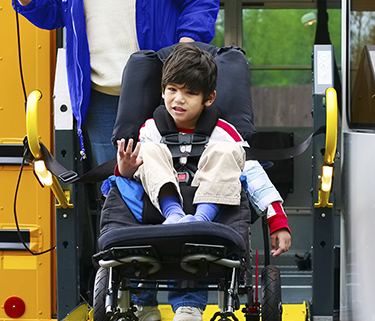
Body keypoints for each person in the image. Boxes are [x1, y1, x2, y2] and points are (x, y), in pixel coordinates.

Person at [112, 43, 291, 321]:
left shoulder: (223, 132)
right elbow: (136, 174)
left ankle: (188, 304)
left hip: (210, 209)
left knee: (230, 152)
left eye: (190, 93)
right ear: (162, 91)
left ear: (209, 99)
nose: (178, 100)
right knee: (147, 151)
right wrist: (125, 169)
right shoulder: (151, 129)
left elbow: (253, 173)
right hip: (161, 211)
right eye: (172, 90)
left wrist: (276, 218)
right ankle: (143, 303)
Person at [13, 0, 220, 166]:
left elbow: (200, 3)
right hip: (101, 95)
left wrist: (183, 51)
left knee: (175, 181)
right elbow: (52, 13)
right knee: (117, 189)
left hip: (164, 91)